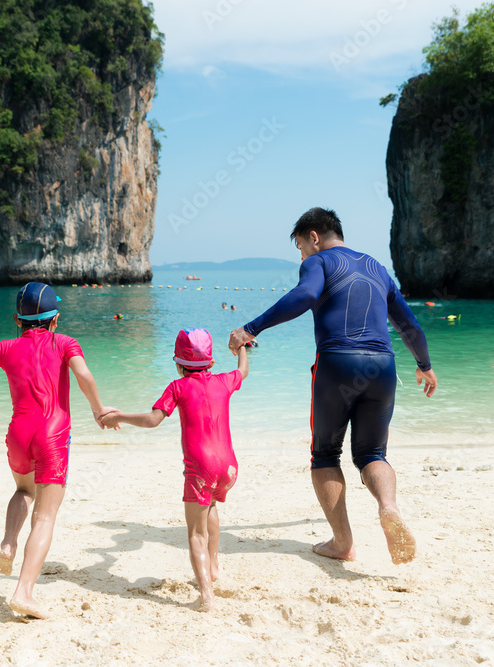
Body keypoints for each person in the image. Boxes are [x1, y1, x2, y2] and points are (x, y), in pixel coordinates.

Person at [229, 207, 436, 565]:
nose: (301, 254)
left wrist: (252, 327)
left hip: (338, 362)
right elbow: (410, 326)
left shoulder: (319, 261)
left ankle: (343, 543)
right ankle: (389, 506)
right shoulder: (376, 267)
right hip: (383, 366)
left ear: (313, 236)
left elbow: (305, 296)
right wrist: (424, 365)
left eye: (300, 246)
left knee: (325, 455)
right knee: (373, 454)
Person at [0, 282, 113, 619]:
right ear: (54, 320)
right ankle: (24, 592)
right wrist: (98, 409)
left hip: (18, 434)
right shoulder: (65, 343)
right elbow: (84, 375)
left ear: (18, 319)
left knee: (23, 490)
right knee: (45, 517)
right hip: (52, 436)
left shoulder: (4, 348)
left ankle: (8, 543)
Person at [101, 329, 249, 612]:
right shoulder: (224, 380)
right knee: (212, 506)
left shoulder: (177, 387)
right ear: (212, 362)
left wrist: (119, 416)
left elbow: (152, 420)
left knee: (195, 533)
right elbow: (243, 369)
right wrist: (242, 345)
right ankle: (213, 566)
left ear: (179, 364)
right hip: (228, 467)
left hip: (200, 467)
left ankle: (206, 595)